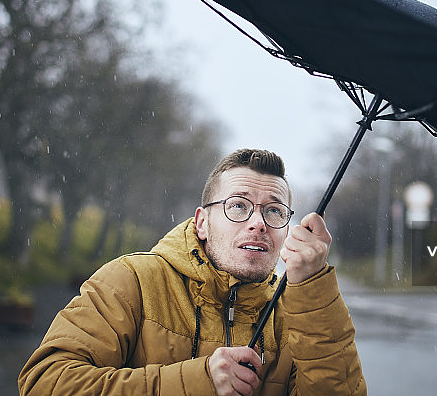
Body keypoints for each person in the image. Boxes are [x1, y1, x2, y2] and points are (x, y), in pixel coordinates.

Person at [19, 149, 366, 395]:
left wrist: (313, 288)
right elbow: (45, 383)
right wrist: (199, 382)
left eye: (274, 212)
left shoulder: (300, 311)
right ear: (202, 222)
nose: (258, 223)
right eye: (238, 206)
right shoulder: (131, 281)